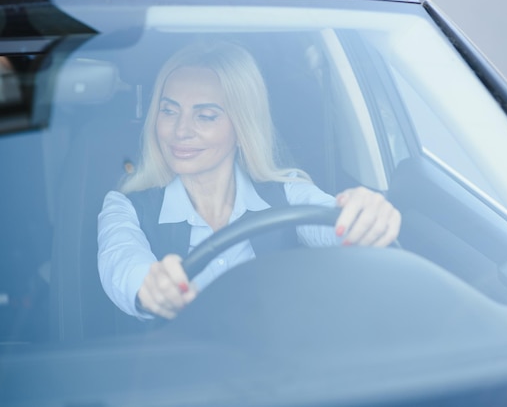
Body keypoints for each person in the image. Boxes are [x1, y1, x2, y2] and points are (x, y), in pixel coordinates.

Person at [97, 41, 401, 320]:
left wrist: (366, 217)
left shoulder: (289, 193)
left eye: (205, 115)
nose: (181, 130)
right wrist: (150, 285)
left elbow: (338, 228)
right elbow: (122, 264)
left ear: (242, 126)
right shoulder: (125, 207)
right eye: (169, 111)